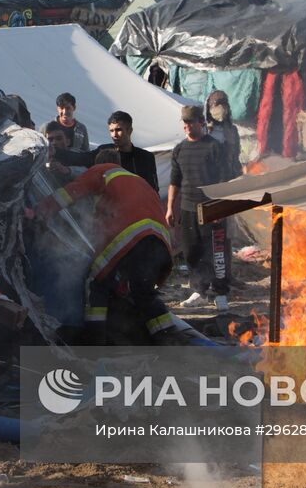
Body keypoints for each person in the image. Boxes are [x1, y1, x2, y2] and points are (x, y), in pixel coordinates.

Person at [31, 148, 176, 344]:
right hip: (160, 238)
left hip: (131, 234)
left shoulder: (102, 170)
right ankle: (168, 338)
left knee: (95, 279)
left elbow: (70, 193)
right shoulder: (136, 180)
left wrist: (42, 210)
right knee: (143, 292)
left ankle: (94, 339)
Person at [166, 105, 230, 313]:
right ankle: (199, 291)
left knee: (216, 253)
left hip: (211, 208)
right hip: (187, 208)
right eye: (185, 122)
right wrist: (170, 208)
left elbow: (224, 179)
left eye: (191, 122)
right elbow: (174, 181)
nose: (187, 126)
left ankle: (220, 293)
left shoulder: (214, 147)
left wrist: (221, 208)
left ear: (201, 123)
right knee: (191, 251)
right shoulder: (180, 149)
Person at [94, 110, 158, 192]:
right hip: (111, 203)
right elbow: (82, 158)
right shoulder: (104, 152)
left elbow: (153, 189)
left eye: (118, 130)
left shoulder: (146, 157)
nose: (114, 135)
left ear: (130, 130)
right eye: (111, 131)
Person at [204, 91, 243, 181]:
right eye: (217, 104)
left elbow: (236, 156)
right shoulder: (204, 131)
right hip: (210, 180)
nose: (221, 108)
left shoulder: (232, 130)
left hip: (230, 178)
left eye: (224, 104)